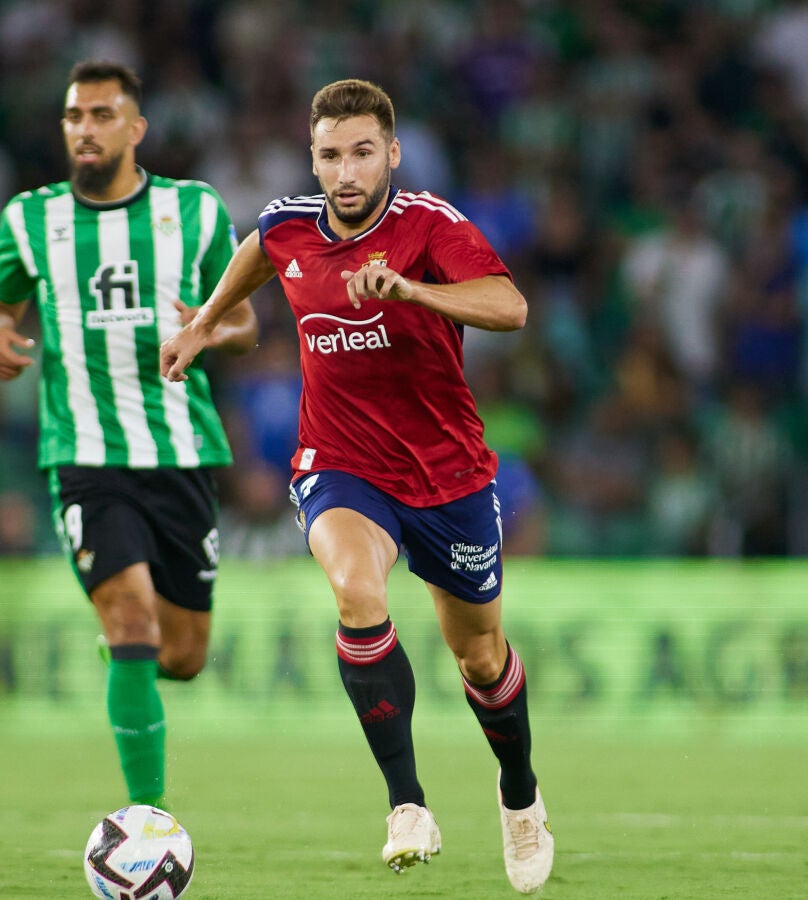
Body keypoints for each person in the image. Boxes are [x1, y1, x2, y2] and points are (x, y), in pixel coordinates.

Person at [161, 78, 554, 893]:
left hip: (446, 475)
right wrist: (203, 322)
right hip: (342, 465)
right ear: (313, 159)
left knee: (481, 659)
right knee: (355, 591)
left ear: (392, 154)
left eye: (363, 153)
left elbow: (510, 307)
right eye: (331, 155)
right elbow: (260, 251)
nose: (346, 172)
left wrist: (412, 291)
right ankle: (406, 804)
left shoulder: (428, 226)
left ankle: (520, 795)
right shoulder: (288, 226)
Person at [0, 60, 256, 810]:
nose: (85, 129)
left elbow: (245, 321)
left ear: (136, 128)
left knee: (182, 655)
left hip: (182, 450)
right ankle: (146, 823)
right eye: (74, 116)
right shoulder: (32, 220)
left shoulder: (194, 210)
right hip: (84, 454)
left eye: (101, 115)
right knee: (131, 617)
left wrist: (206, 330)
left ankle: (127, 660)